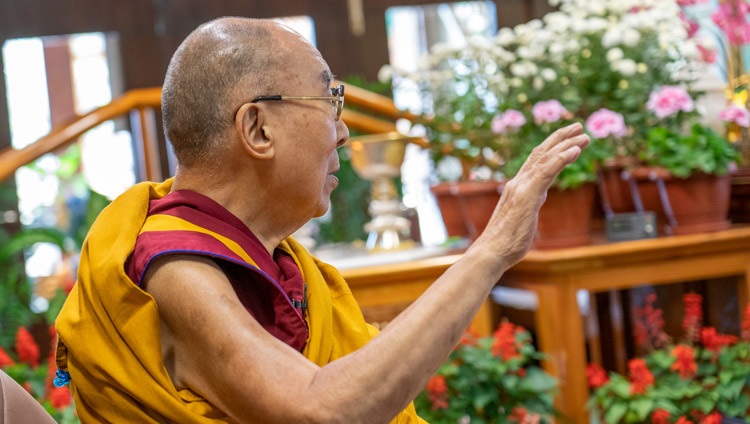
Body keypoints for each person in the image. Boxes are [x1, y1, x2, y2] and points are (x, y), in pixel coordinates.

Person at [54, 16, 590, 423]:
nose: (342, 132)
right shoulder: (177, 268)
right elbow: (321, 411)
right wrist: (491, 250)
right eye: (328, 99)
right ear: (257, 128)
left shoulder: (271, 257)